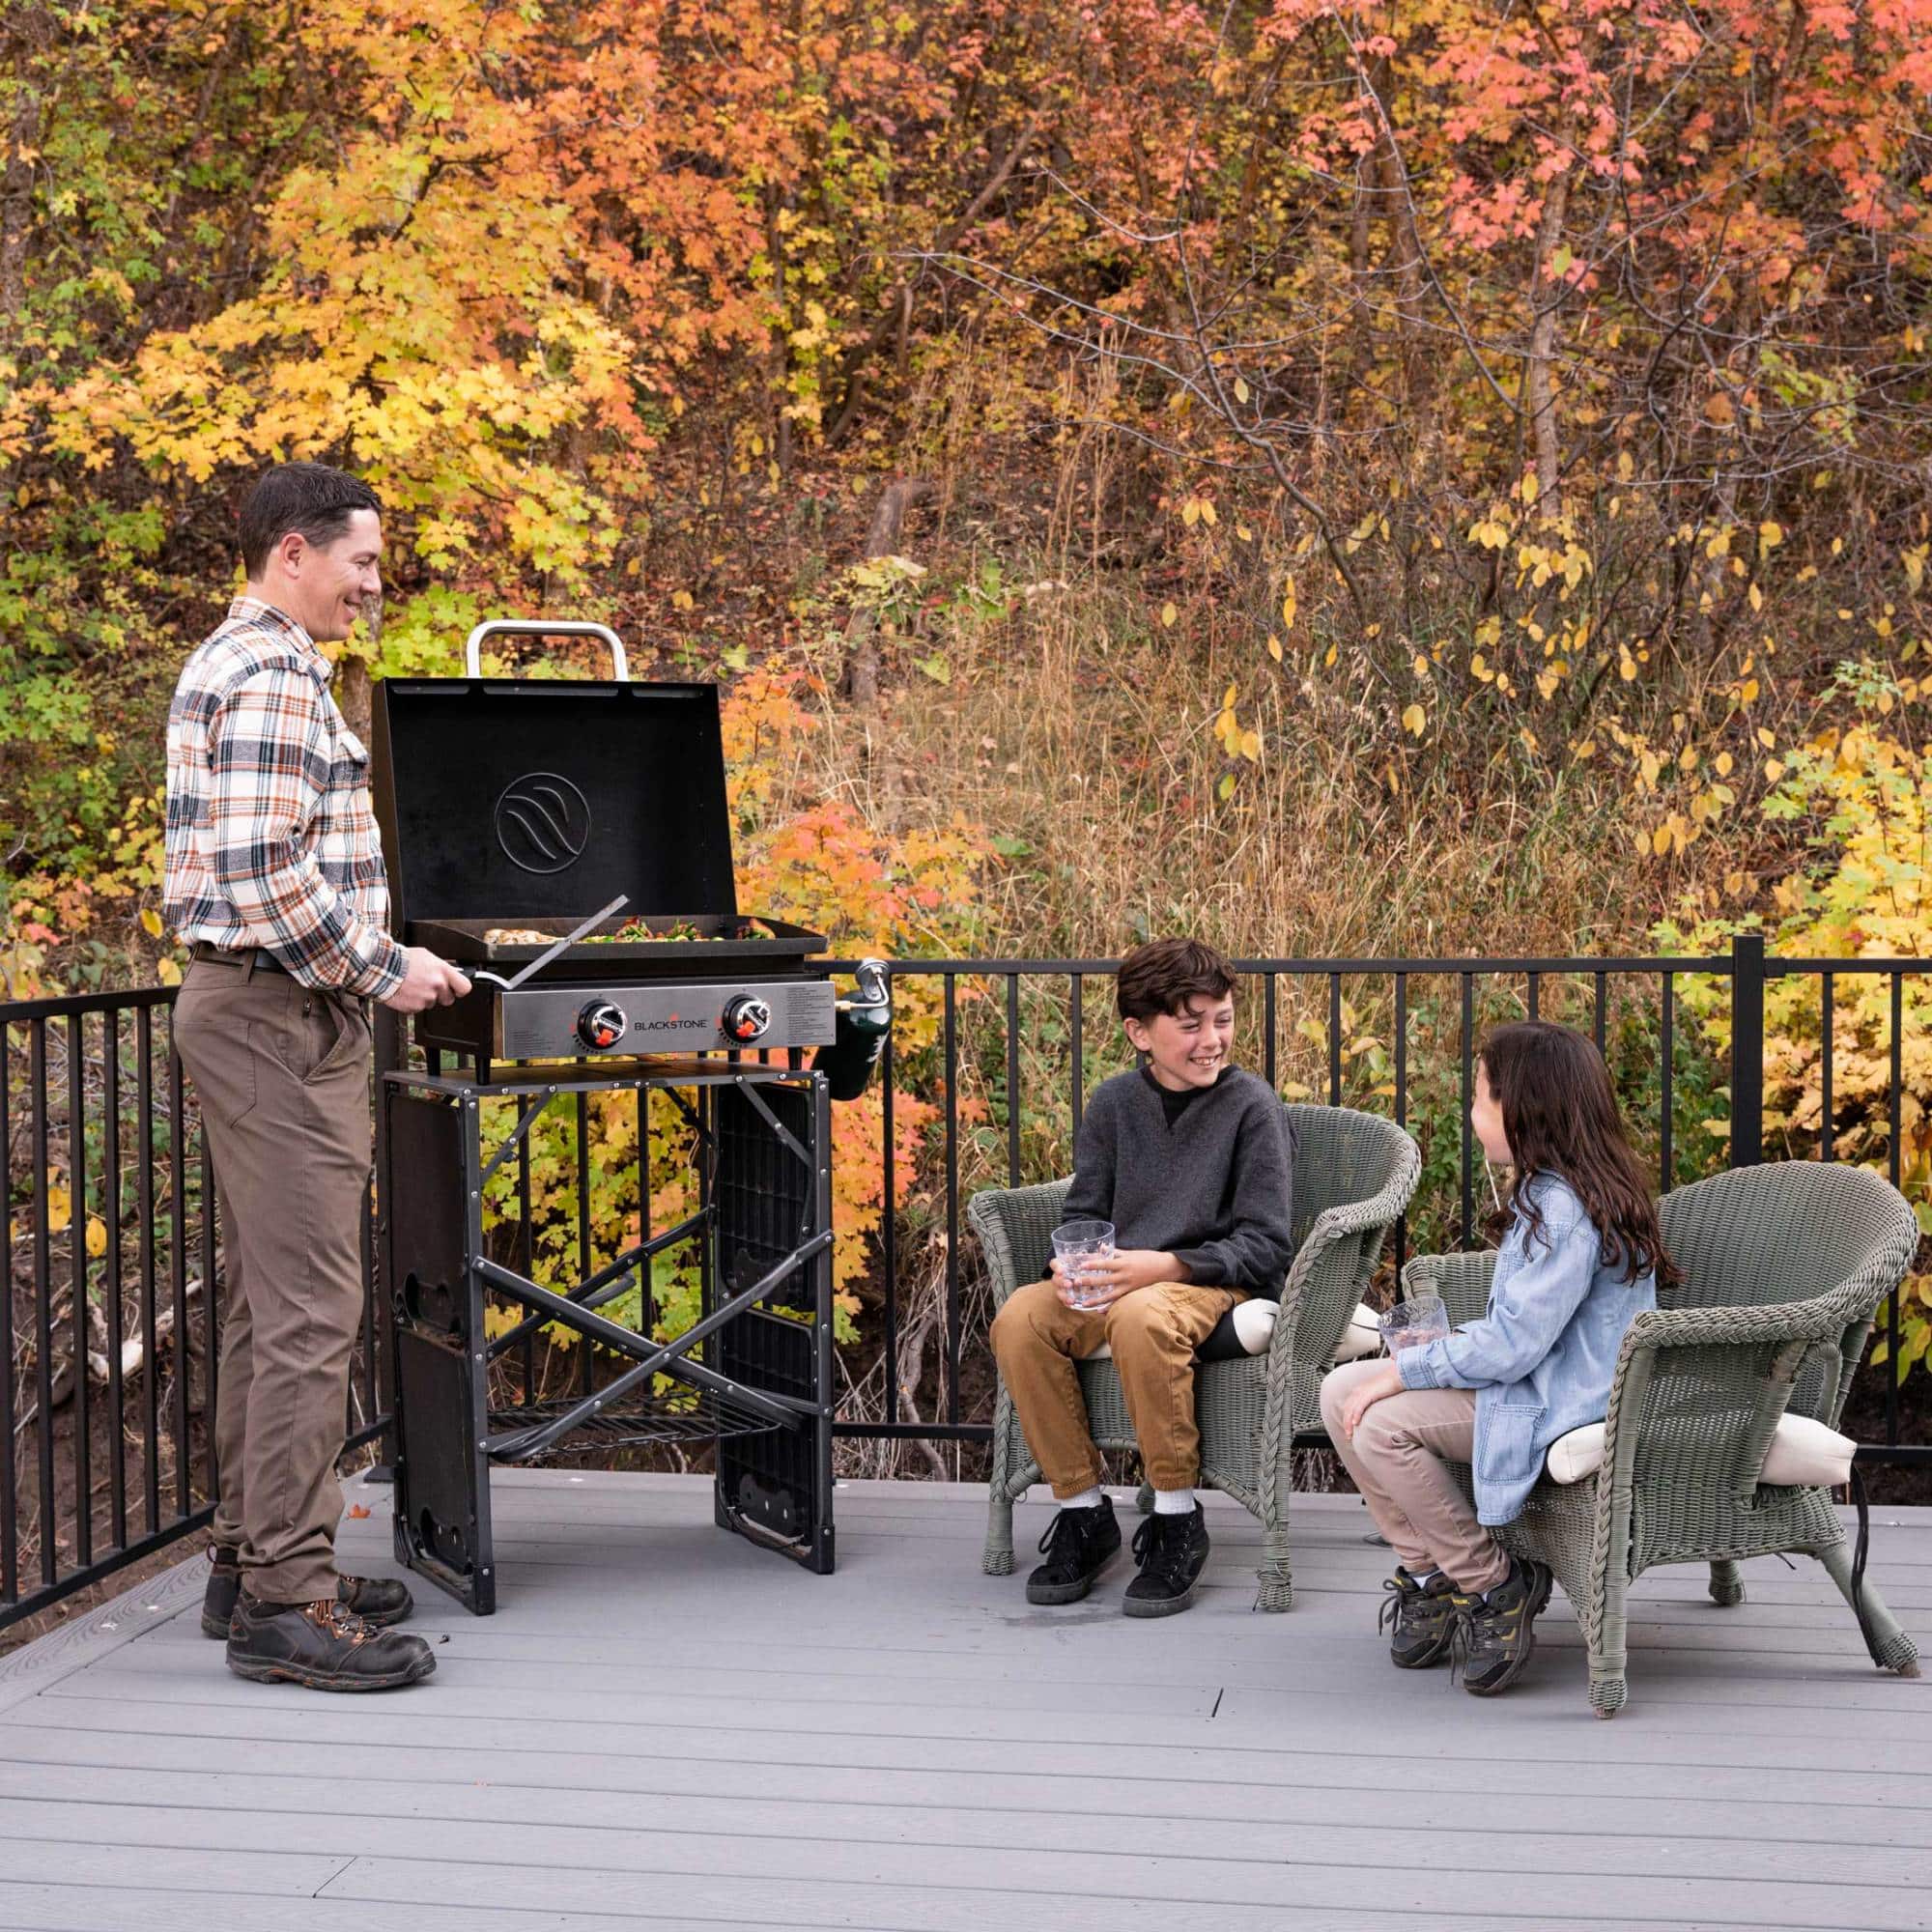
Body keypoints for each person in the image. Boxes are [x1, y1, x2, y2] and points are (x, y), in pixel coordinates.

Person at [165, 462, 471, 1691]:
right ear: (293, 552)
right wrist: (382, 965)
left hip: (266, 1010)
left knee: (266, 1306)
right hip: (279, 1015)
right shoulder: (275, 673)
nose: (372, 583)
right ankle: (287, 1605)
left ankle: (252, 1559)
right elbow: (260, 871)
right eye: (361, 560)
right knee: (308, 1318)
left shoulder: (243, 664)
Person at [1321, 1020, 1672, 1695]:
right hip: (1532, 1382)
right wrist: (1428, 1358)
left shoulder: (1564, 1206)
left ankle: (1494, 1584)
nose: (1472, 1110)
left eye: (1481, 1096)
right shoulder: (1551, 1188)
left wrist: (1406, 1369)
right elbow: (1523, 1331)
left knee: (1380, 1423)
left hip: (1561, 1402)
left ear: (1525, 1107)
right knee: (1339, 1395)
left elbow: (1515, 1345)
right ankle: (1429, 1575)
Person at [989, 937, 1296, 1616]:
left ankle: (1176, 1515)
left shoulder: (1253, 1108)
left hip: (1210, 1281)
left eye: (1222, 1019)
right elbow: (1084, 1212)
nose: (1212, 1040)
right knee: (1020, 1317)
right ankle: (1082, 1512)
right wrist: (1067, 1272)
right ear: (1139, 1032)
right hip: (1120, 1278)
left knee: (1141, 1313)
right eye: (1191, 1026)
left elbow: (1266, 1245)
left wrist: (1162, 1266)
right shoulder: (1114, 1104)